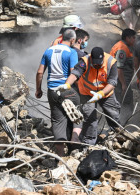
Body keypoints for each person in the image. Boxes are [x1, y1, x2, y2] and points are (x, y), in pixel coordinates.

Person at [56, 47, 120, 145]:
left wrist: (101, 94)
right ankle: (89, 143)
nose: (97, 65)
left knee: (113, 114)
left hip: (106, 93)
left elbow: (112, 82)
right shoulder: (85, 61)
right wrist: (67, 84)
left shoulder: (111, 62)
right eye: (95, 63)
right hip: (87, 93)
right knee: (89, 117)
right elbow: (75, 74)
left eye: (99, 63)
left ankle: (118, 137)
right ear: (91, 59)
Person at [36, 29, 82, 157]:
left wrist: (38, 89)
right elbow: (74, 72)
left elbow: (40, 72)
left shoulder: (48, 50)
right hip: (67, 90)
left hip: (52, 91)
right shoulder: (71, 52)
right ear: (72, 40)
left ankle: (61, 156)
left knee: (57, 121)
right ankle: (74, 139)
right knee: (78, 113)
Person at [110, 28, 136, 124]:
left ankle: (119, 123)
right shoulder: (122, 48)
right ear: (127, 38)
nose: (134, 40)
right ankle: (124, 123)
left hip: (118, 80)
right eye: (133, 38)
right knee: (126, 102)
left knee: (120, 101)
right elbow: (119, 68)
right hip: (120, 82)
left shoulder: (121, 46)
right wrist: (124, 84)